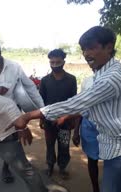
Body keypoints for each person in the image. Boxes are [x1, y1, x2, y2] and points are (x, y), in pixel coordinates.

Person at [11, 26, 121, 192]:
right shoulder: (102, 72)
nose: (86, 54)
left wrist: (28, 115)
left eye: (91, 48)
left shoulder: (111, 78)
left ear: (109, 47)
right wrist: (65, 115)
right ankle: (52, 165)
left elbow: (77, 102)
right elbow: (89, 106)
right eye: (83, 49)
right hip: (111, 142)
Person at [0, 39, 44, 185]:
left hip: (10, 111)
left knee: (10, 141)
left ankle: (6, 168)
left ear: (0, 53)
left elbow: (29, 87)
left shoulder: (14, 67)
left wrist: (42, 109)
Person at [39, 49, 77, 179]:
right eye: (52, 62)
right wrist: (41, 119)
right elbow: (41, 101)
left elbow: (73, 102)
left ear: (63, 62)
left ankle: (62, 167)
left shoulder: (71, 80)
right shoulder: (44, 80)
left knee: (64, 145)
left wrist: (71, 119)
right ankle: (50, 165)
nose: (55, 64)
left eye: (58, 62)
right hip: (49, 120)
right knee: (50, 144)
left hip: (65, 121)